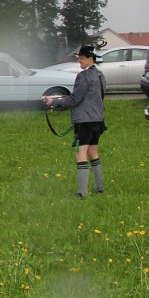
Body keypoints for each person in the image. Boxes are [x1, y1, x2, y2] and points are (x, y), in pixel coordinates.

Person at [42, 44, 107, 198]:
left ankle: (82, 193)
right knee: (93, 151)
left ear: (91, 58)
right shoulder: (99, 74)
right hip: (97, 119)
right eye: (79, 58)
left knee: (81, 153)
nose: (80, 61)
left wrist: (53, 102)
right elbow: (91, 97)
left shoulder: (83, 76)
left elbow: (75, 99)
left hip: (84, 121)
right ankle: (99, 188)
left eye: (82, 58)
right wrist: (59, 99)